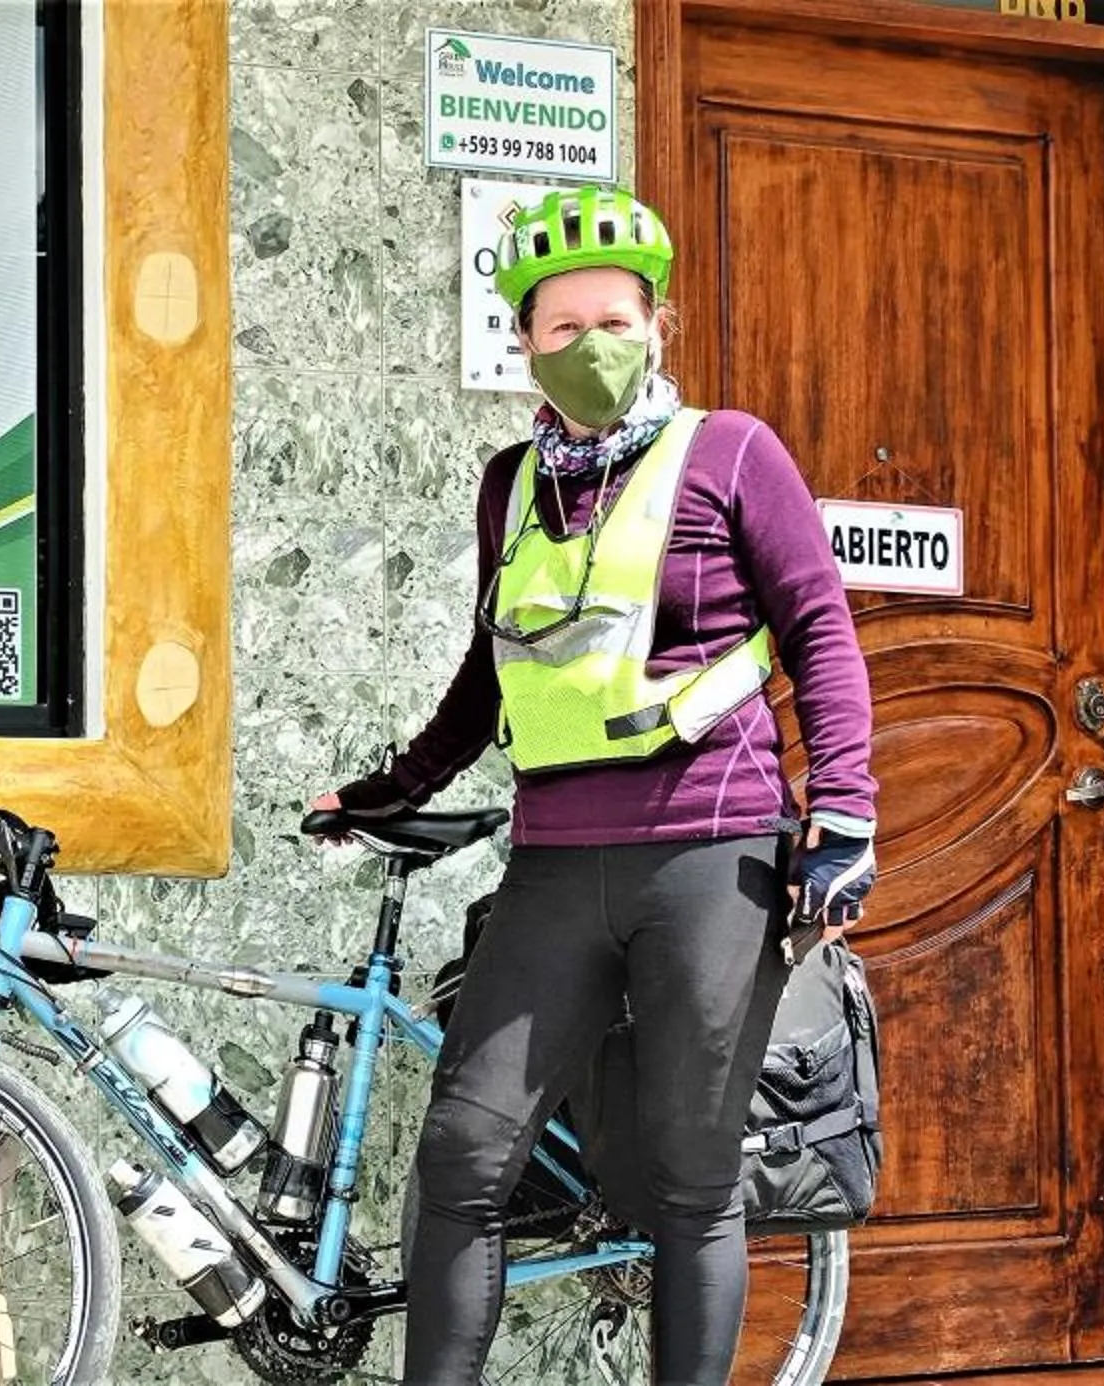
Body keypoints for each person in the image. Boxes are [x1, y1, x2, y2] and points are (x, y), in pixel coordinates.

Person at [307, 186, 879, 1385]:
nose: (586, 348)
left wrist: (842, 815)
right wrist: (387, 788)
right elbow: (492, 668)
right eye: (557, 328)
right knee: (463, 1158)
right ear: (522, 341)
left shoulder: (733, 453)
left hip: (711, 858)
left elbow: (819, 627)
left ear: (657, 321)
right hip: (558, 863)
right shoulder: (511, 481)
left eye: (610, 321)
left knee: (687, 1175)